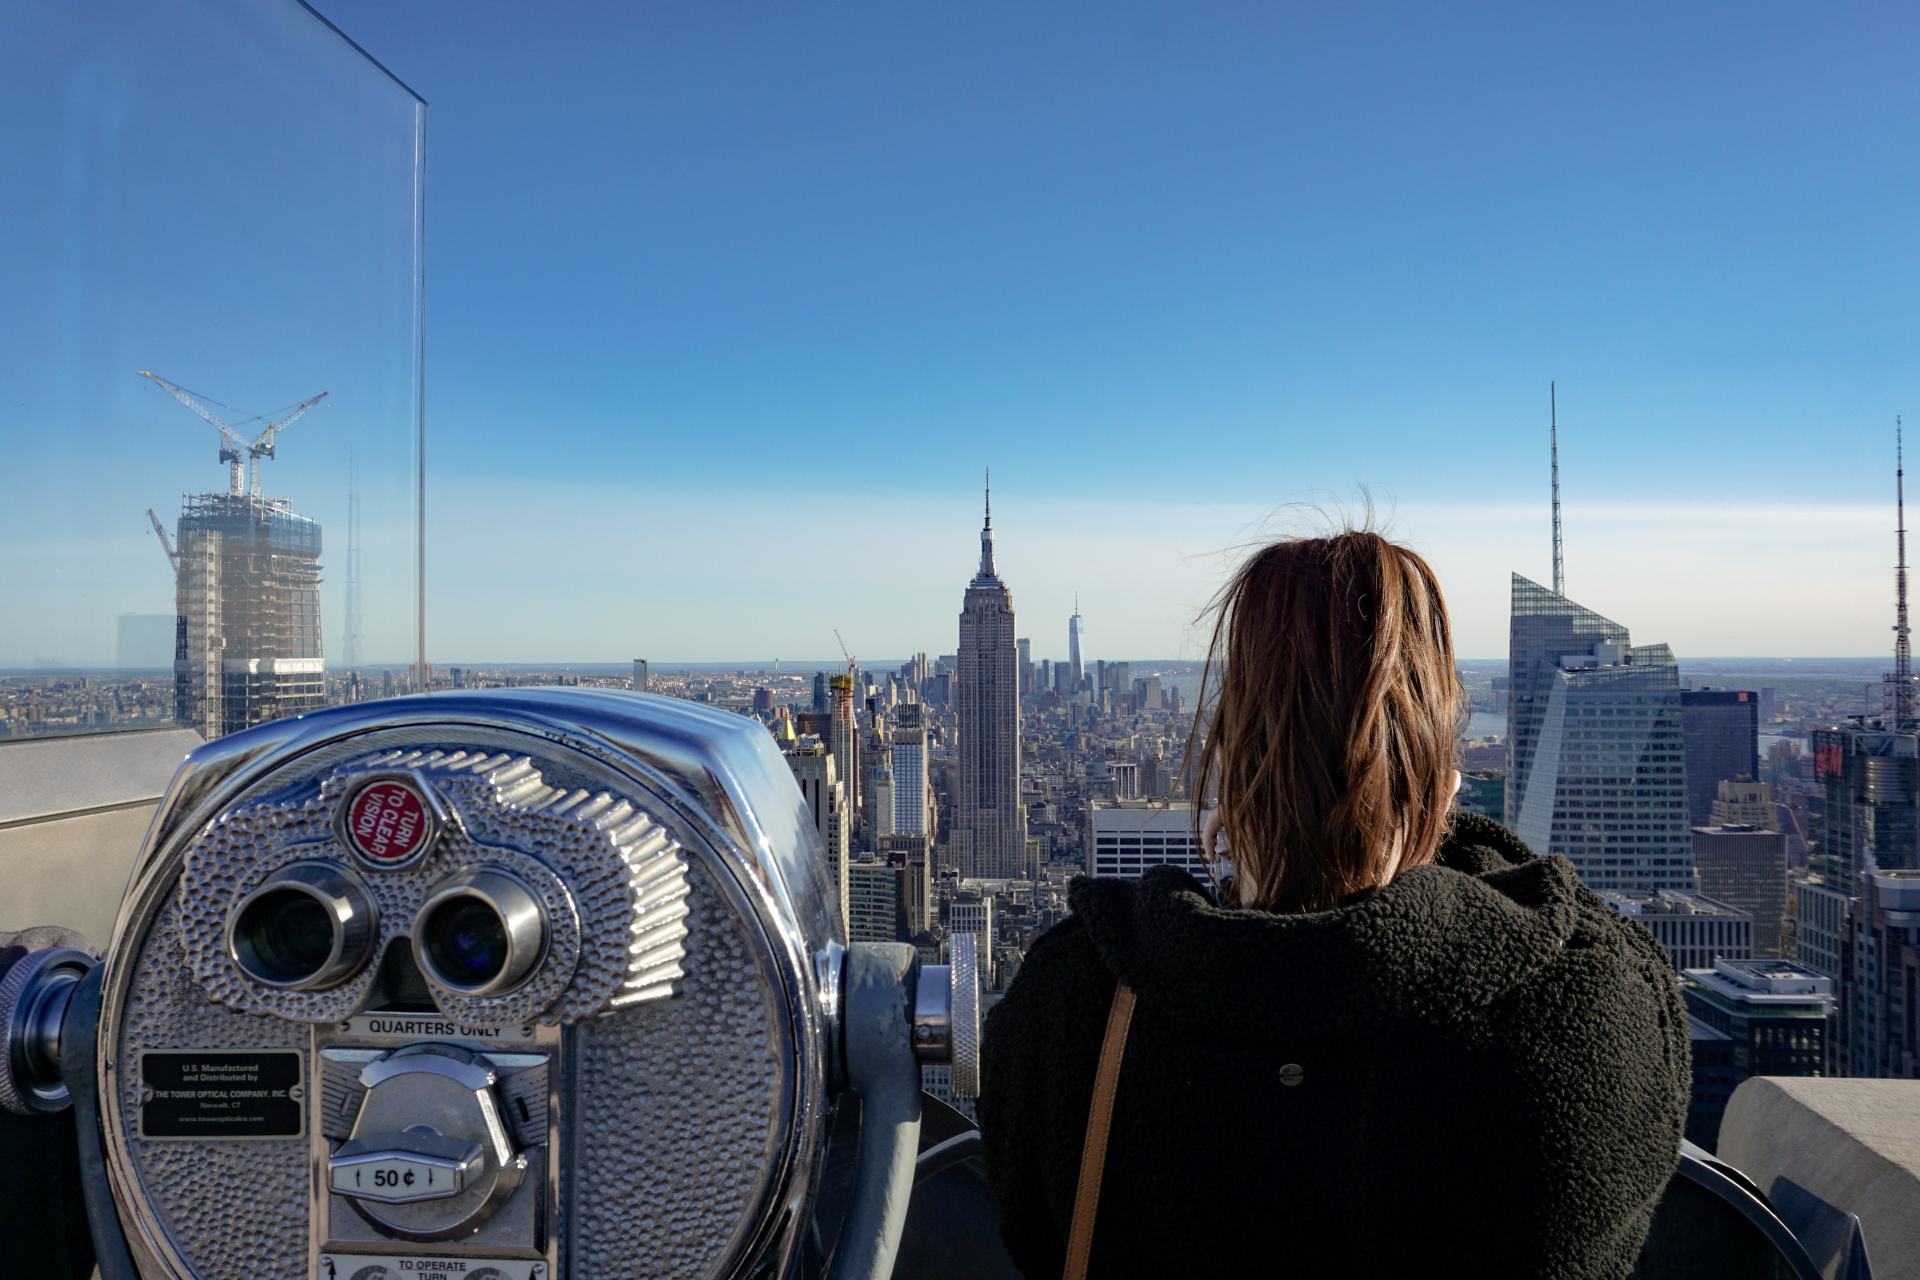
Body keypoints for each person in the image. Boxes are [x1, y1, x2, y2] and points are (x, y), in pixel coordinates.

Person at [978, 530, 1690, 1279]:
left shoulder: (1071, 1008)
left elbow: (1028, 1228)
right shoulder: (1589, 1012)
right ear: (1437, 781)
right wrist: (1432, 820)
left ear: (1228, 770)